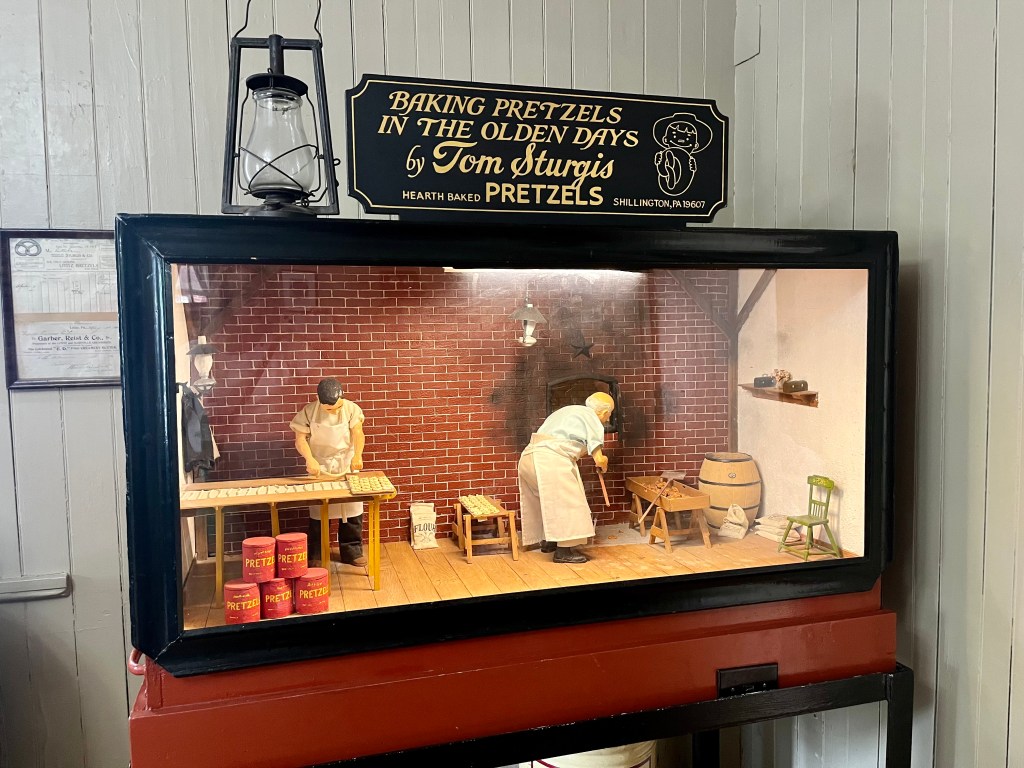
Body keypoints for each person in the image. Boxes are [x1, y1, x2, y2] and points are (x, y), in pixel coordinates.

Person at [517, 392, 614, 564]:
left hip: (528, 458)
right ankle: (564, 551)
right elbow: (599, 458)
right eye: (609, 415)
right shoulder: (591, 417)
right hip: (550, 460)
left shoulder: (567, 411)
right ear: (604, 412)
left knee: (547, 501)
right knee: (570, 504)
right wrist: (604, 463)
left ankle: (550, 541)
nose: (608, 419)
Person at [290, 377, 367, 566]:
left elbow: (358, 433)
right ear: (318, 399)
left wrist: (357, 455)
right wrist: (309, 459)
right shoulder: (308, 412)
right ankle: (317, 553)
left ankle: (352, 550)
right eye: (329, 409)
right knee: (319, 511)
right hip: (320, 465)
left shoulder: (351, 409)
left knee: (351, 509)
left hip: (346, 463)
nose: (334, 411)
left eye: (337, 407)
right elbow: (300, 439)